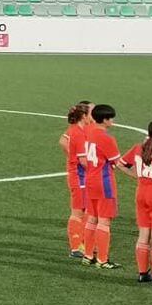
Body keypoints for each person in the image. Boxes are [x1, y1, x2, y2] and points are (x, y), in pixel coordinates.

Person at [117, 121, 152, 283]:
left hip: (141, 192)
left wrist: (136, 175)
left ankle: (142, 273)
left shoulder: (138, 148)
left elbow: (120, 164)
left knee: (143, 235)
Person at [80, 104, 123, 269]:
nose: (112, 121)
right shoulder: (107, 138)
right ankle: (102, 260)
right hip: (104, 182)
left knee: (92, 218)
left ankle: (88, 255)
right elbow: (117, 163)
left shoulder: (89, 131)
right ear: (105, 120)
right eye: (111, 118)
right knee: (104, 222)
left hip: (90, 180)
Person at [58, 103, 90, 261]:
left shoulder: (78, 131)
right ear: (84, 116)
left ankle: (83, 243)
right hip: (79, 176)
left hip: (79, 175)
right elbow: (84, 161)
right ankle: (76, 246)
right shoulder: (78, 133)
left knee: (84, 209)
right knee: (78, 211)